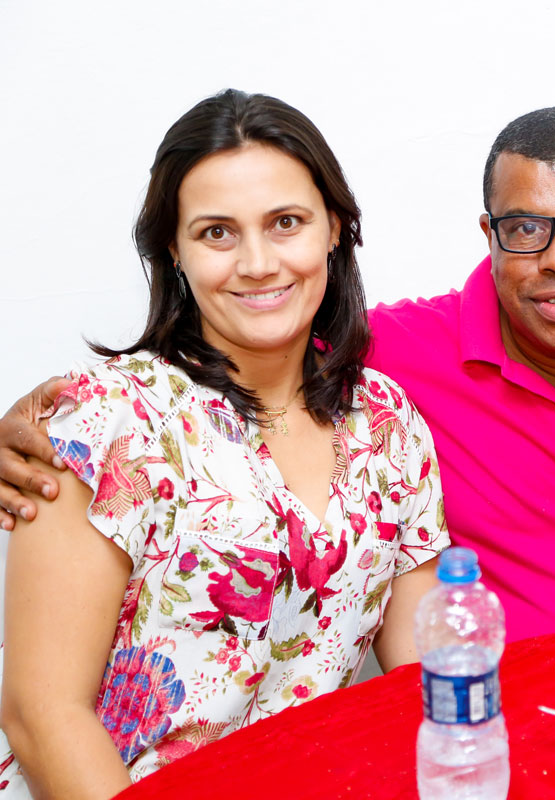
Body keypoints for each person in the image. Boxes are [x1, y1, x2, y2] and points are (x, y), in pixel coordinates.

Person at [0, 106, 555, 641]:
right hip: (495, 742)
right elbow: (240, 351)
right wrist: (52, 417)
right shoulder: (394, 361)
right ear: (489, 236)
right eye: (526, 229)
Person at [0, 90, 448, 795]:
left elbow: (423, 673)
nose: (258, 262)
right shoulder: (108, 421)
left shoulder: (388, 421)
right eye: (217, 233)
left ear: (334, 228)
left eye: (286, 223)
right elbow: (41, 714)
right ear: (173, 251)